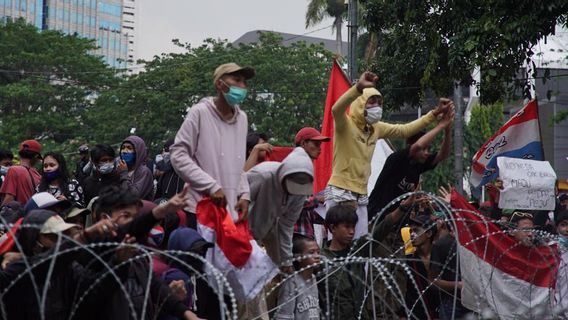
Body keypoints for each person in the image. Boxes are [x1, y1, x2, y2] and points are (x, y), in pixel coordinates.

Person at [325, 71, 452, 238]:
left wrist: (434, 114)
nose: (376, 106)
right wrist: (358, 88)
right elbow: (336, 109)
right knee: (339, 245)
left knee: (362, 246)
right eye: (372, 101)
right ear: (361, 103)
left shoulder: (376, 128)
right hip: (340, 191)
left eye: (379, 102)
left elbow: (405, 129)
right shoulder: (345, 125)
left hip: (361, 196)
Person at [170, 62, 254, 224]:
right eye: (236, 80)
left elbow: (237, 163)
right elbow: (178, 155)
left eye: (244, 82)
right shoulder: (200, 112)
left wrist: (244, 194)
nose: (242, 86)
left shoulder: (242, 118)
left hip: (230, 209)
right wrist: (210, 186)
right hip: (200, 207)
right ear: (219, 84)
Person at [368, 108, 454, 219]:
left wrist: (447, 129)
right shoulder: (397, 159)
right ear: (410, 145)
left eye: (428, 149)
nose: (427, 153)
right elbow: (417, 146)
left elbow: (443, 154)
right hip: (378, 217)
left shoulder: (418, 165)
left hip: (398, 222)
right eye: (424, 149)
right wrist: (440, 126)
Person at [247, 147, 314, 271]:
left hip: (271, 225)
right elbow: (240, 202)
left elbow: (287, 225)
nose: (293, 191)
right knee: (250, 269)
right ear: (282, 174)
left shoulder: (300, 192)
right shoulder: (263, 176)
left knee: (279, 268)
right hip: (246, 226)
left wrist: (287, 261)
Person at [293, 127, 330, 239]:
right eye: (316, 144)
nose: (320, 149)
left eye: (320, 145)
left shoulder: (306, 167)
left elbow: (306, 210)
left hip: (305, 231)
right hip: (295, 234)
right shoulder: (294, 167)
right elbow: (294, 201)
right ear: (303, 143)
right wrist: (318, 199)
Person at [400, 214, 439, 319]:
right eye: (410, 231)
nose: (412, 235)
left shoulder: (440, 258)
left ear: (429, 233)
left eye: (416, 231)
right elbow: (404, 290)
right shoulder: (408, 260)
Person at [274, 235, 321, 320]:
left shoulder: (313, 279)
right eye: (311, 252)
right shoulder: (291, 282)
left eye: (318, 252)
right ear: (299, 258)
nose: (317, 256)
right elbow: (284, 316)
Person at [0, 139, 43, 206]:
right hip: (34, 214)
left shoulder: (14, 170)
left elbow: (9, 199)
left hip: (19, 215)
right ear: (36, 156)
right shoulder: (39, 176)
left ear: (20, 155)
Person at [119, 135, 154, 200]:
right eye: (123, 148)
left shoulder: (144, 172)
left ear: (138, 151)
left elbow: (133, 196)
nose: (124, 151)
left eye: (129, 148)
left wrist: (124, 174)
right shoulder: (119, 168)